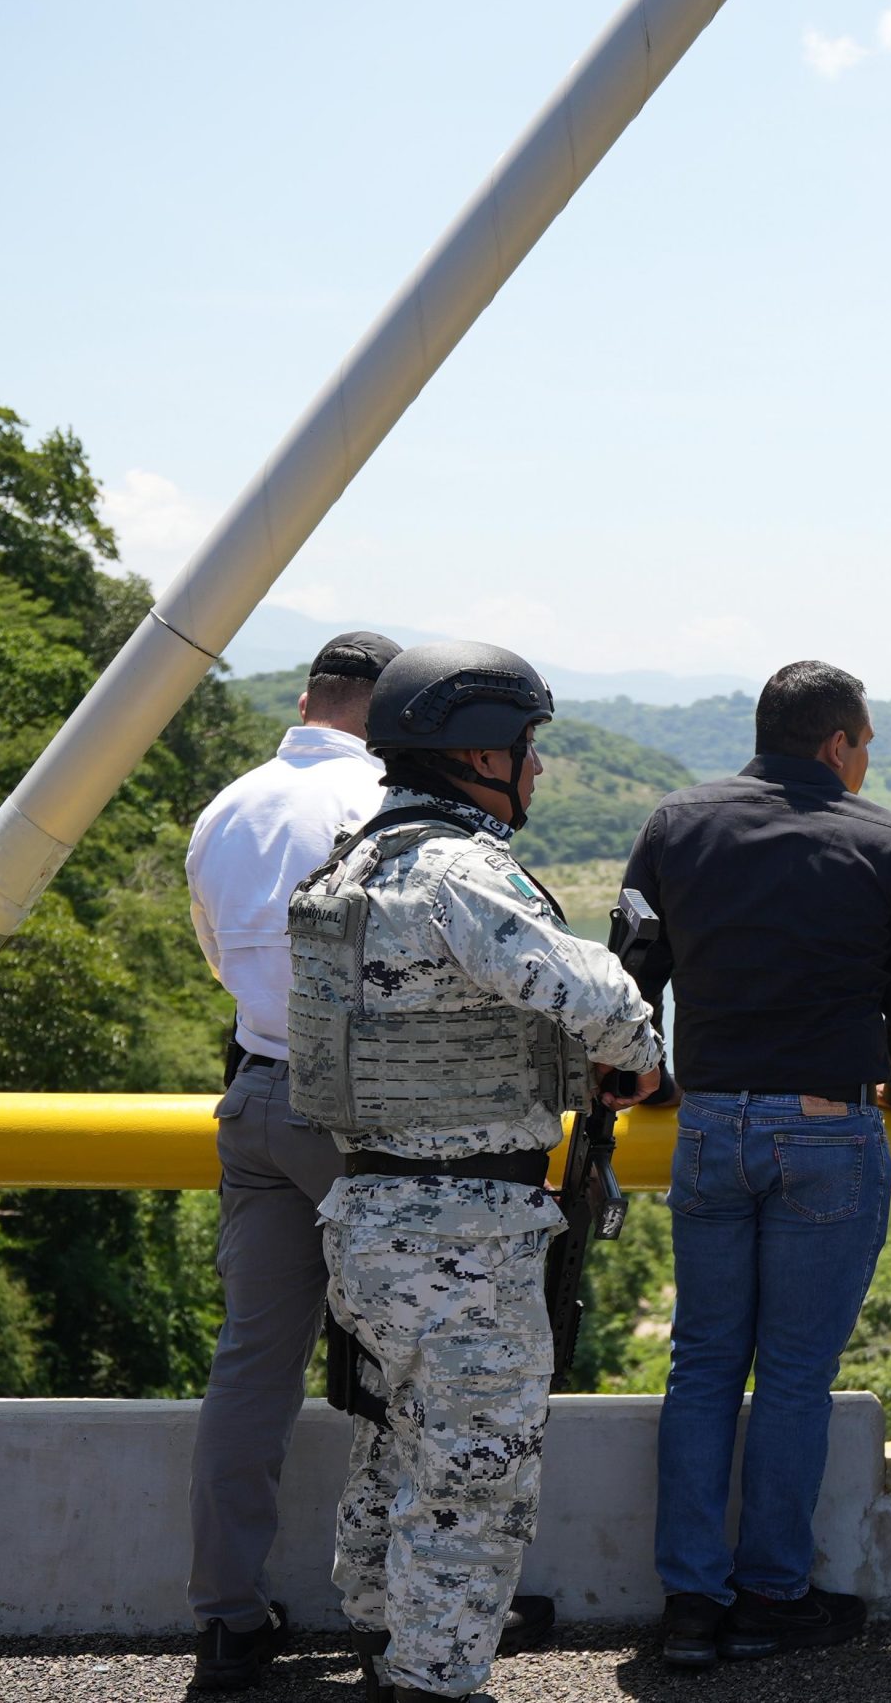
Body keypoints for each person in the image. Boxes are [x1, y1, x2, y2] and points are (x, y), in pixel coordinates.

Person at [291, 640, 661, 1703]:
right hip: (464, 1234)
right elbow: (607, 1006)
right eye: (527, 746)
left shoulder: (351, 863)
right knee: (475, 1479)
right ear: (479, 754)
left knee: (397, 1445)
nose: (537, 767)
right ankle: (434, 1679)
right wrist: (638, 1059)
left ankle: (386, 1634)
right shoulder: (459, 871)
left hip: (366, 1211)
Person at [626, 661, 891, 1669]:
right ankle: (770, 1596)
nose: (866, 761)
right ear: (839, 743)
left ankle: (690, 1604)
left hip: (709, 1123)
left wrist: (651, 1082)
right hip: (827, 1127)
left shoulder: (678, 823)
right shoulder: (884, 839)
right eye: (866, 744)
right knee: (795, 1373)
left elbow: (629, 973)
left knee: (703, 1361)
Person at [181, 630, 399, 1691]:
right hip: (357, 1110)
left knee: (252, 1369)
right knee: (419, 1356)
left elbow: (218, 958)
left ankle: (228, 1616)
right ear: (389, 711)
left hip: (256, 1094)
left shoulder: (225, 808)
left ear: (309, 700)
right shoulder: (382, 806)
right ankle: (412, 1606)